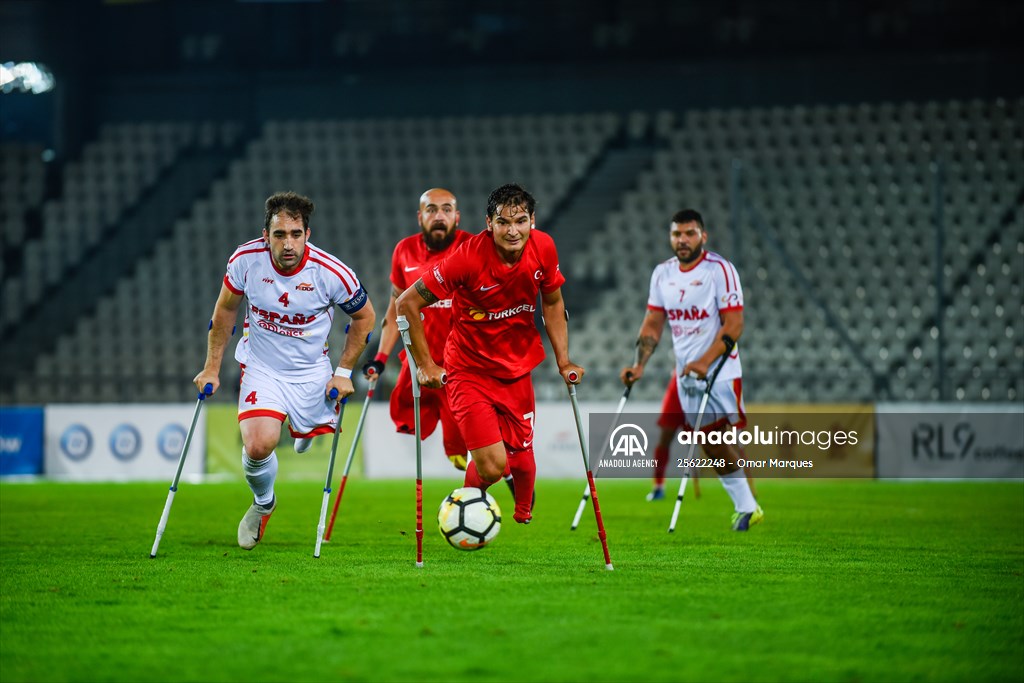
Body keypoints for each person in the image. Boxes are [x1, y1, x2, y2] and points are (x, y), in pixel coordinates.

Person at [193, 191, 376, 549]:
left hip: (311, 372)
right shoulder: (246, 261)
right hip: (262, 367)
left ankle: (303, 426)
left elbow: (365, 315)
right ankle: (264, 505)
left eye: (295, 234)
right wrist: (211, 368)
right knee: (259, 444)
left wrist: (344, 371)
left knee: (308, 432)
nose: (288, 243)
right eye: (279, 235)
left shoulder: (331, 272)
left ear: (308, 234)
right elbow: (226, 310)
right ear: (266, 236)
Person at [395, 183, 583, 524]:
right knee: (494, 466)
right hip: (469, 370)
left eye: (521, 221)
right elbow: (406, 303)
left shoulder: (544, 248)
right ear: (488, 223)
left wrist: (564, 360)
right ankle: (463, 515)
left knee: (522, 458)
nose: (513, 231)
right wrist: (425, 364)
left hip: (516, 368)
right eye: (503, 222)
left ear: (533, 221)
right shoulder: (467, 257)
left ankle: (522, 512)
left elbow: (553, 302)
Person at [620, 208, 763, 531]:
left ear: (703, 236)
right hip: (687, 374)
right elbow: (653, 323)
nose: (682, 240)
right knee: (710, 439)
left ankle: (748, 503)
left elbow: (735, 324)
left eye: (689, 233)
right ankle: (748, 507)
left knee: (721, 435)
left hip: (721, 370)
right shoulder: (662, 274)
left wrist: (705, 360)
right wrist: (639, 364)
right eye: (676, 234)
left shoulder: (720, 270)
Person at [362, 188, 472, 472]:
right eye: (431, 209)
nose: (439, 216)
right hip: (418, 364)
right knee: (408, 422)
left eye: (446, 209)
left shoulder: (472, 247)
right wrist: (380, 359)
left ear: (457, 217)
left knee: (467, 454)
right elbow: (394, 310)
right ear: (419, 216)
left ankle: (506, 479)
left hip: (463, 364)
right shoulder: (404, 250)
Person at [648, 372, 758, 502]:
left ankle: (743, 490)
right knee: (665, 437)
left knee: (720, 441)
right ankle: (658, 486)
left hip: (705, 385)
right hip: (678, 386)